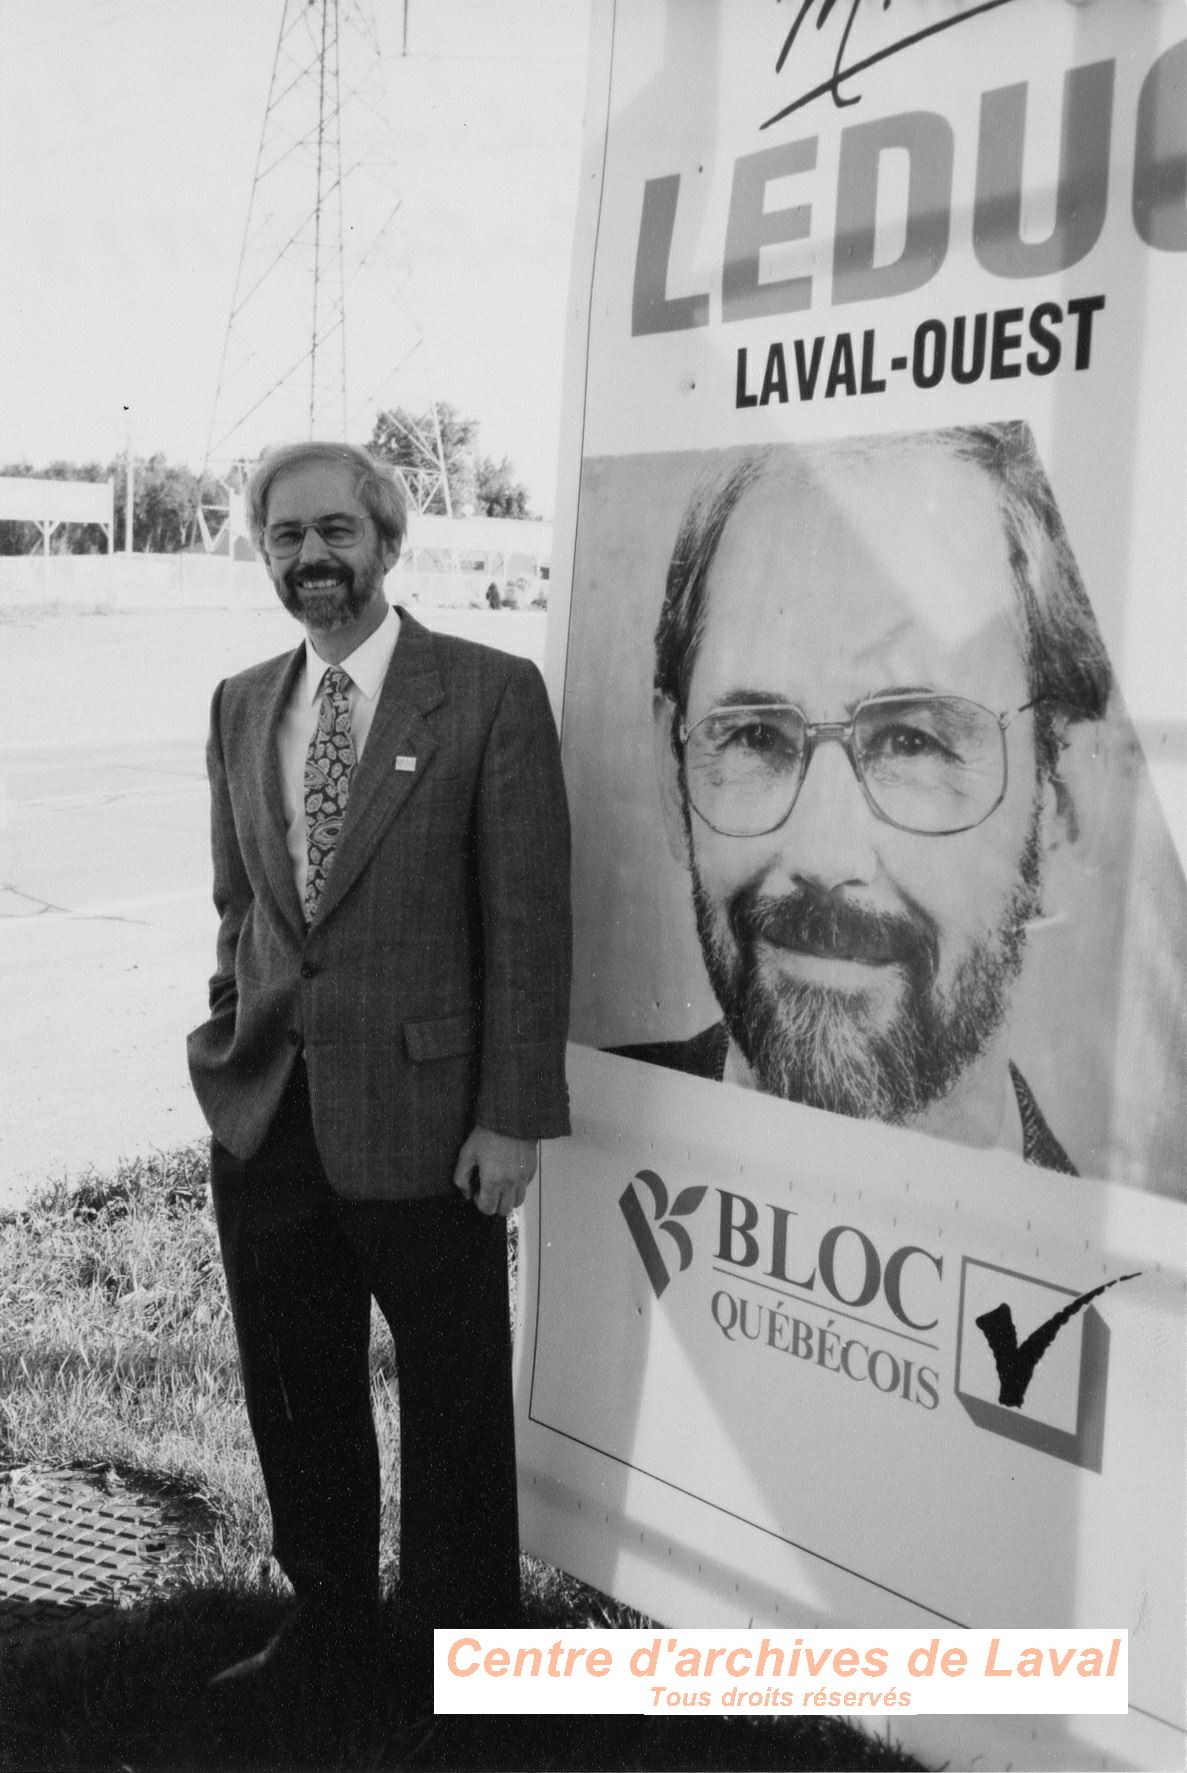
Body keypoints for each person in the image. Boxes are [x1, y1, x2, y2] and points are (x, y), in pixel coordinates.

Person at [186, 440, 571, 1712]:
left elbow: (525, 924)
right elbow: (240, 906)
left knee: (453, 1404)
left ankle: (457, 1653)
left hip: (428, 1124)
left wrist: (510, 1119)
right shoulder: (242, 701)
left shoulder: (488, 692)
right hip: (268, 1116)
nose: (312, 560)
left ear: (388, 542)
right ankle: (332, 1616)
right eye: (286, 537)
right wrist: (231, 1048)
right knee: (294, 1389)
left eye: (335, 532)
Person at [615, 423, 1110, 1172]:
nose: (823, 855)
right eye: (753, 736)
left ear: (1061, 804)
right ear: (670, 770)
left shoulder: (1125, 1284)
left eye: (913, 741)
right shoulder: (593, 1128)